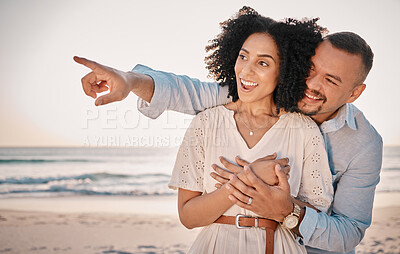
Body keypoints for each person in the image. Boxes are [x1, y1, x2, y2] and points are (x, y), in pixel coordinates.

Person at [74, 9, 382, 254]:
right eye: (311, 70)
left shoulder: (361, 144)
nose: (312, 85)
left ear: (354, 93)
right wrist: (130, 82)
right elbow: (188, 92)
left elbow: (348, 231)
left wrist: (284, 209)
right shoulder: (226, 109)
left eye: (331, 80)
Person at [169, 8, 333, 253]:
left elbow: (318, 215)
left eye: (263, 63)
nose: (245, 71)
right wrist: (249, 177)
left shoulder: (303, 130)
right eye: (243, 56)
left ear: (285, 71)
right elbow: (188, 217)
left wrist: (272, 198)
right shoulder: (205, 124)